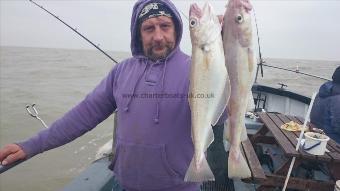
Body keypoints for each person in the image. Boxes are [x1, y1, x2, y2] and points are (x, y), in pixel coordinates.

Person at [0, 1, 204, 190]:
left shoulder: (196, 69)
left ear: (177, 29)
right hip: (127, 185)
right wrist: (32, 146)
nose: (158, 36)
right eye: (149, 28)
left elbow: (220, 113)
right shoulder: (122, 72)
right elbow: (84, 114)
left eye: (165, 26)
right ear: (138, 33)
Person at [310, 66, 340, 143]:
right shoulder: (338, 98)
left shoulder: (325, 89)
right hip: (330, 140)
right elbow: (337, 127)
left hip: (316, 132)